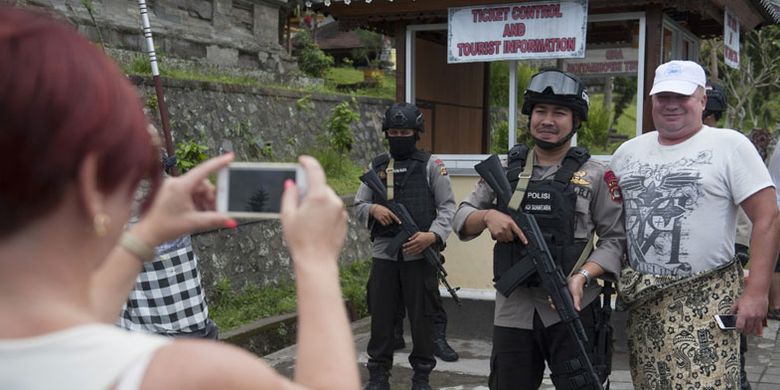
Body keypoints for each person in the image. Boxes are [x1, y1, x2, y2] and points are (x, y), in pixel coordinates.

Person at [0, 8, 359, 390]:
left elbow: (74, 327)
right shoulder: (185, 373)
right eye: (138, 165)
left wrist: (150, 231)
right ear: (91, 186)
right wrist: (316, 260)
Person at [609, 60, 780, 389]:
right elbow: (612, 224)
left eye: (682, 96)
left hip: (707, 303)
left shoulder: (730, 146)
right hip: (644, 306)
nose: (671, 104)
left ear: (702, 100)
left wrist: (757, 292)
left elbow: (767, 216)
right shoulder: (627, 153)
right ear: (652, 101)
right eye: (662, 97)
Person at [452, 69, 625, 390]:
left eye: (559, 112)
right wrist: (488, 216)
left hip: (572, 306)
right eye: (540, 111)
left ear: (576, 121)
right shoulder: (505, 170)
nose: (547, 120)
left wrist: (583, 275)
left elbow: (614, 240)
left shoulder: (598, 175)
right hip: (513, 310)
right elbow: (462, 216)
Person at [354, 102, 456, 390]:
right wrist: (374, 211)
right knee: (382, 319)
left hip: (419, 255)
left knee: (422, 321)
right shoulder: (377, 166)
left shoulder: (431, 166)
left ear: (416, 133)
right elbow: (359, 203)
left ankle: (421, 377)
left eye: (405, 131)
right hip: (385, 253)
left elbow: (447, 207)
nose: (399, 136)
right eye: (394, 131)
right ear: (387, 133)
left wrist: (432, 236)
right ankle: (378, 376)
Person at [703, 82, 752, 390]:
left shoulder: (732, 146)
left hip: (732, 252)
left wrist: (744, 258)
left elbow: (752, 215)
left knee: (729, 334)